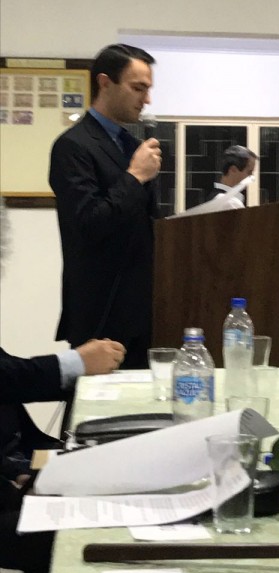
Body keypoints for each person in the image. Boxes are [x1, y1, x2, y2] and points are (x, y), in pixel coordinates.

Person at [49, 44, 162, 369]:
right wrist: (135, 176)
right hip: (102, 314)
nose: (147, 99)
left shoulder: (132, 145)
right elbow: (89, 224)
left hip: (145, 310)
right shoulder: (73, 146)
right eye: (138, 88)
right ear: (105, 83)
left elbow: (144, 226)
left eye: (148, 89)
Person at [0, 339, 125, 573]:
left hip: (17, 472)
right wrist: (76, 363)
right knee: (87, 530)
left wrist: (36, 467)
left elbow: (9, 373)